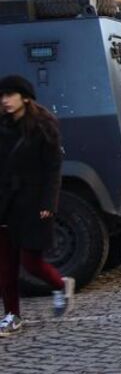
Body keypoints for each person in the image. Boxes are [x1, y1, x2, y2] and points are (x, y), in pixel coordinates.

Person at [0, 75, 74, 337]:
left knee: (31, 263)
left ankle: (60, 285)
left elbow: (53, 169)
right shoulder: (3, 126)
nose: (5, 101)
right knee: (6, 268)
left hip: (33, 204)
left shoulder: (43, 126)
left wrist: (48, 203)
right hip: (5, 203)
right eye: (2, 96)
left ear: (25, 97)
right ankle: (11, 316)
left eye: (10, 95)